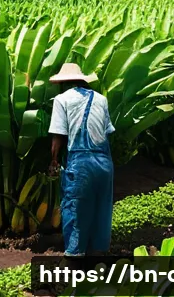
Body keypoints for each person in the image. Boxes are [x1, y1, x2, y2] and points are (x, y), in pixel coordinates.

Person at [48, 63, 115, 258]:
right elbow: (107, 131)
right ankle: (98, 259)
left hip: (81, 163)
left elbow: (58, 136)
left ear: (64, 83)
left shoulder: (62, 100)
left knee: (74, 209)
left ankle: (74, 259)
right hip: (105, 163)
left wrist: (53, 161)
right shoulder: (101, 99)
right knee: (101, 209)